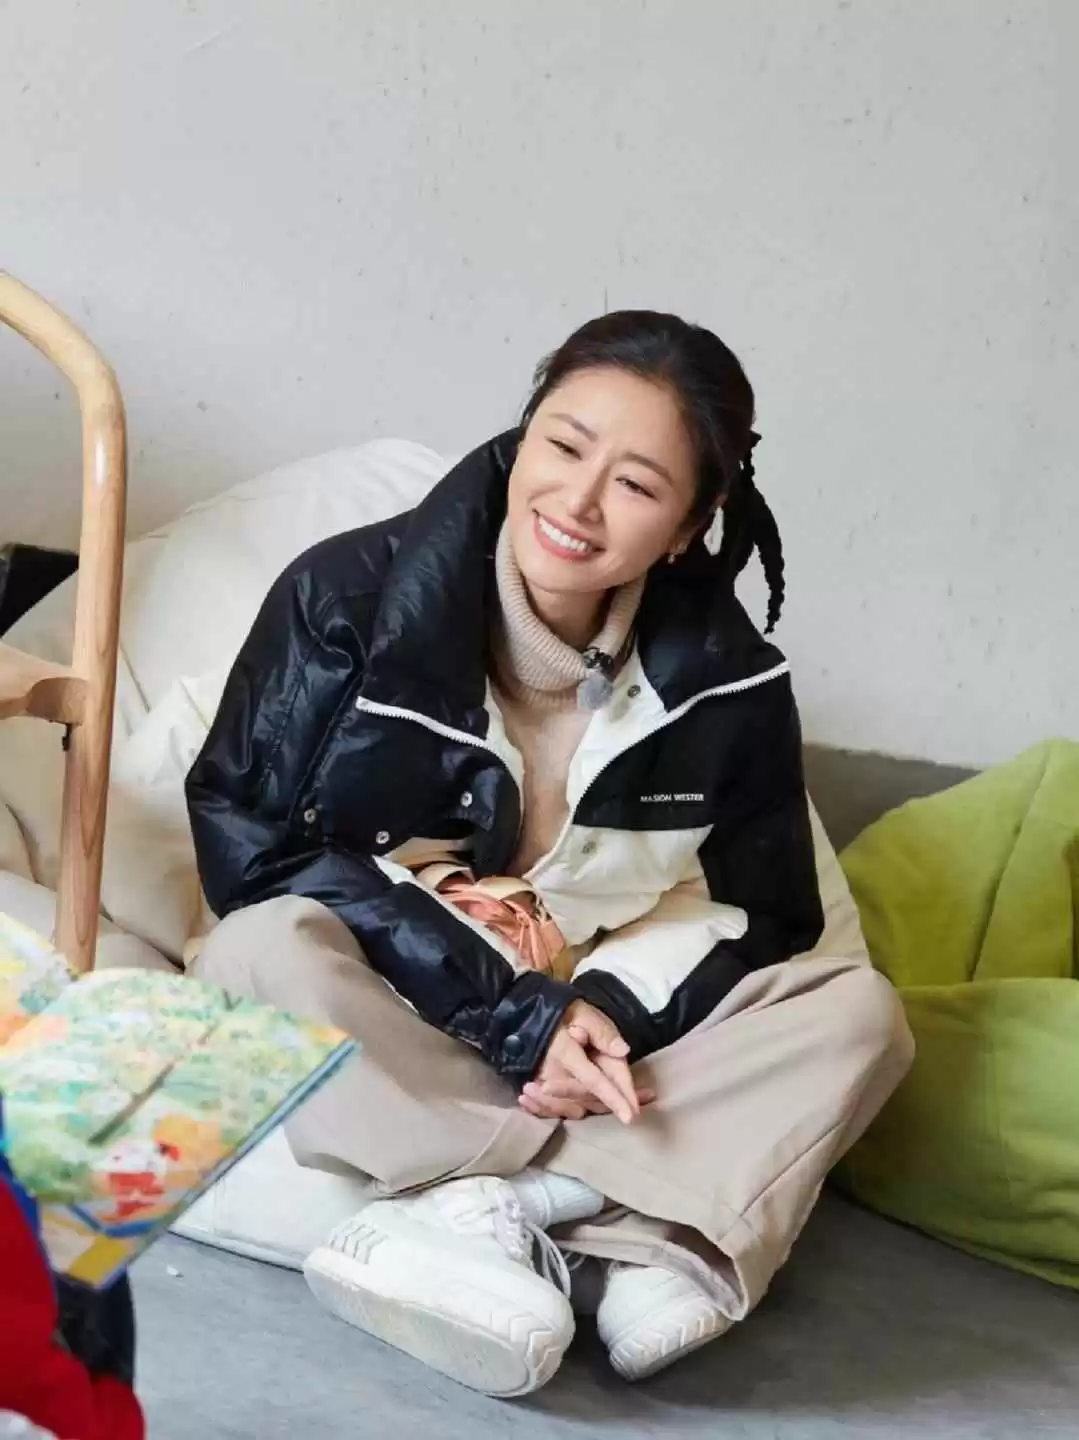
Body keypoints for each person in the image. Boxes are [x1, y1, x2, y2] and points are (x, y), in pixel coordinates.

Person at [185, 311, 913, 1397]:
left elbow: (764, 917)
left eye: (636, 484)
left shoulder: (729, 684)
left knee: (859, 1014)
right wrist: (515, 1017)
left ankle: (491, 1211)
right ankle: (634, 1220)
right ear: (522, 434)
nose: (576, 502)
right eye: (564, 446)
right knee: (257, 949)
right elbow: (254, 851)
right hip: (409, 1017)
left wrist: (596, 1017)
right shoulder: (344, 601)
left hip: (603, 1042)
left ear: (686, 527)